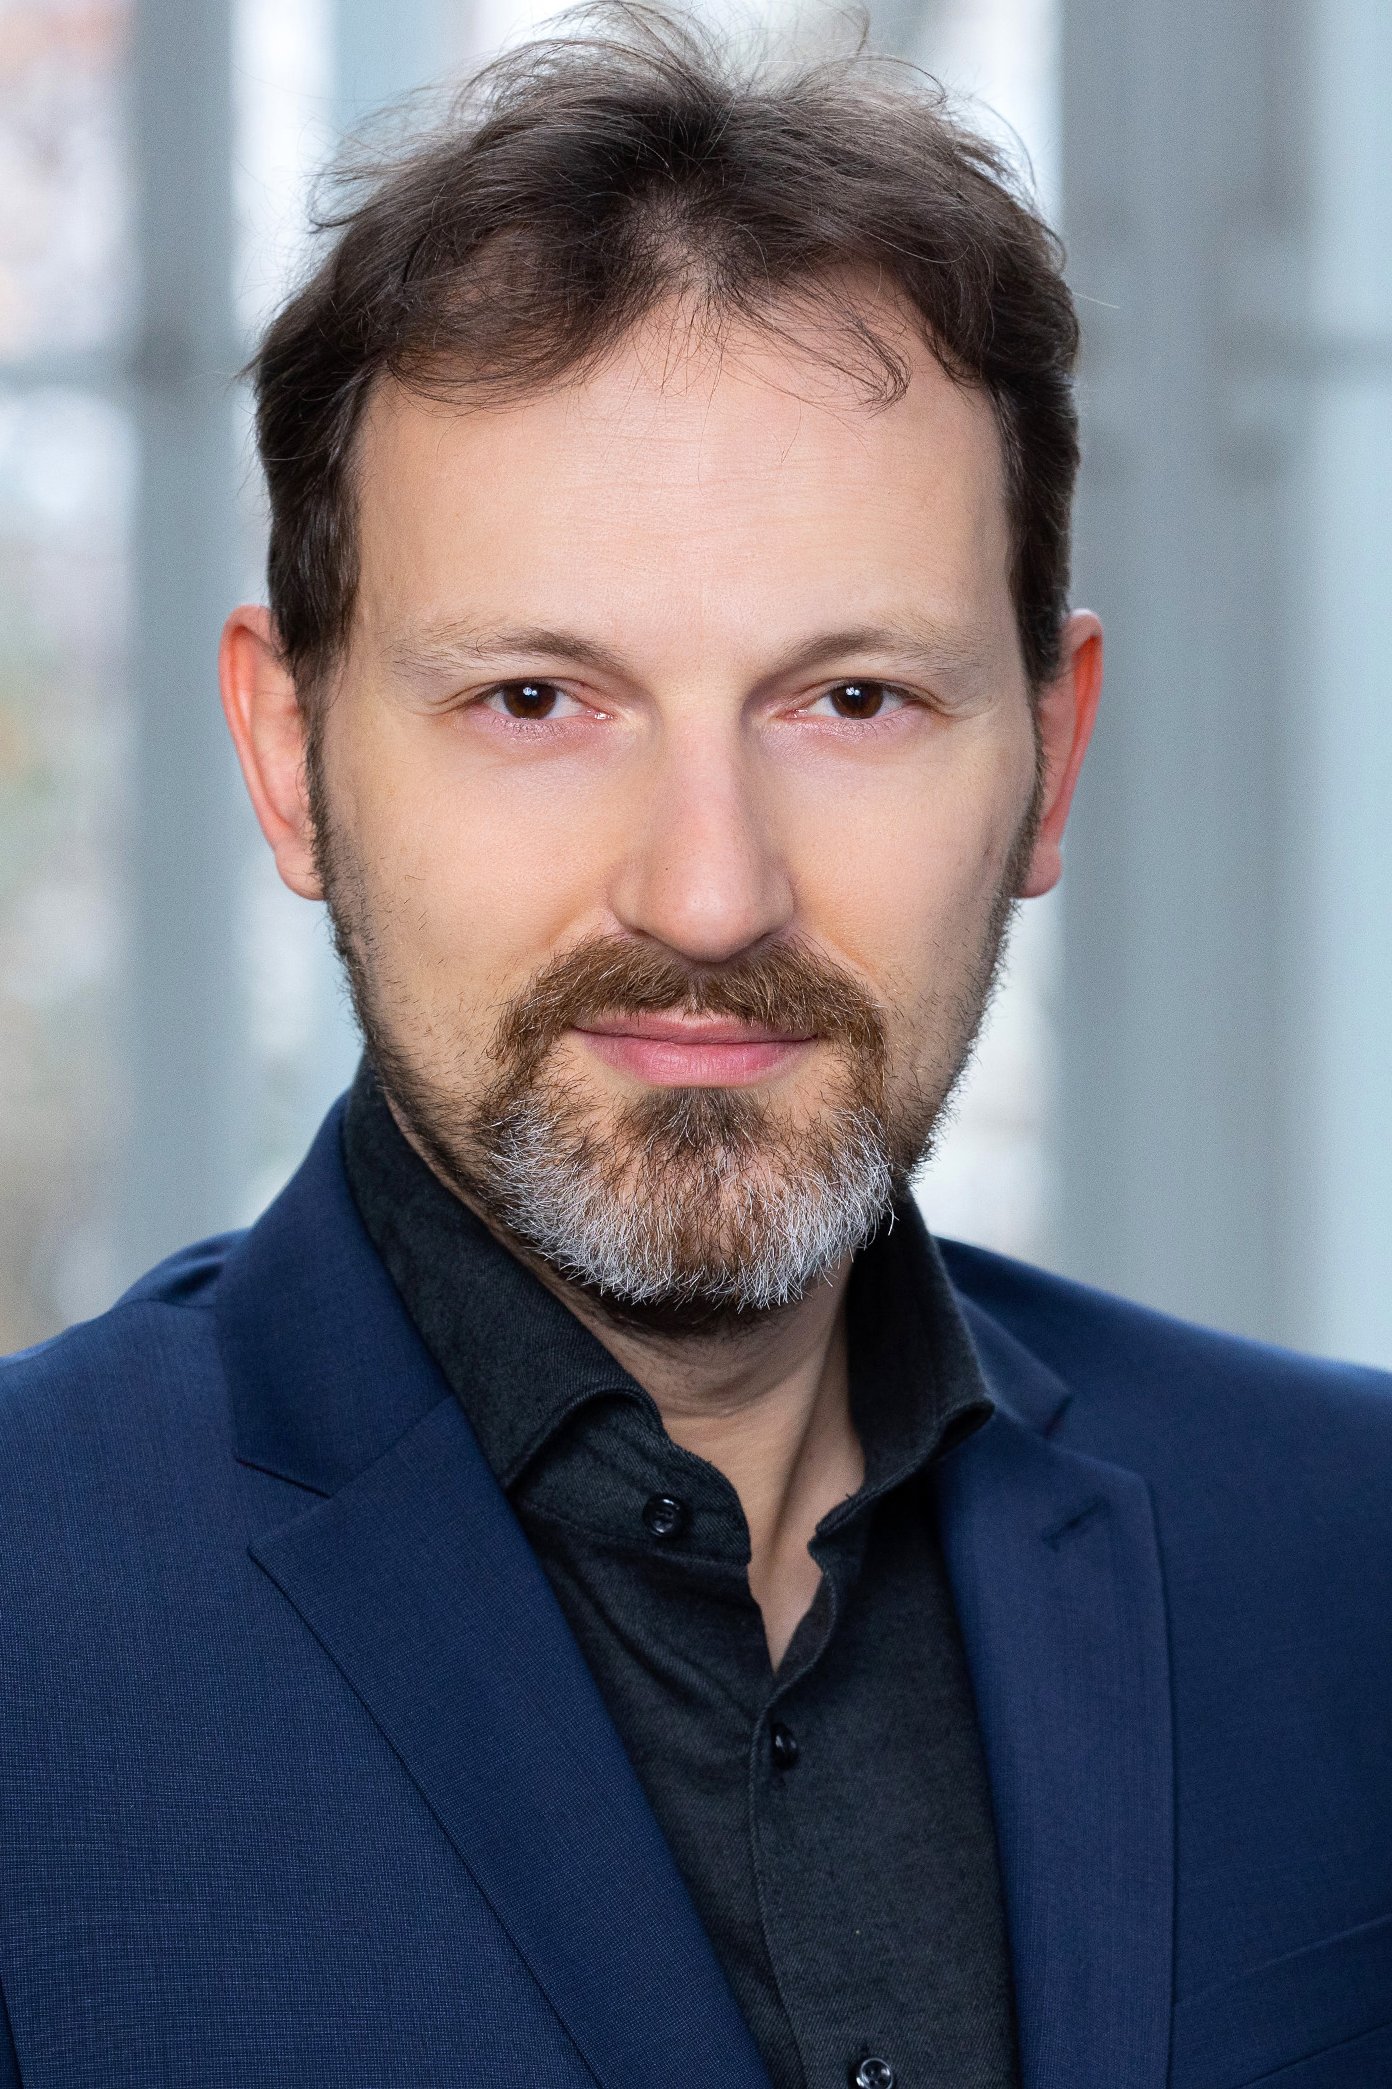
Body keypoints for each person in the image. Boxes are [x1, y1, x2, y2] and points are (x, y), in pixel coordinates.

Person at [2, 13, 1389, 2087]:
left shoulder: (1351, 1560)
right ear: (289, 759)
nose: (712, 892)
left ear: (1051, 751)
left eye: (852, 700)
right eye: (537, 700)